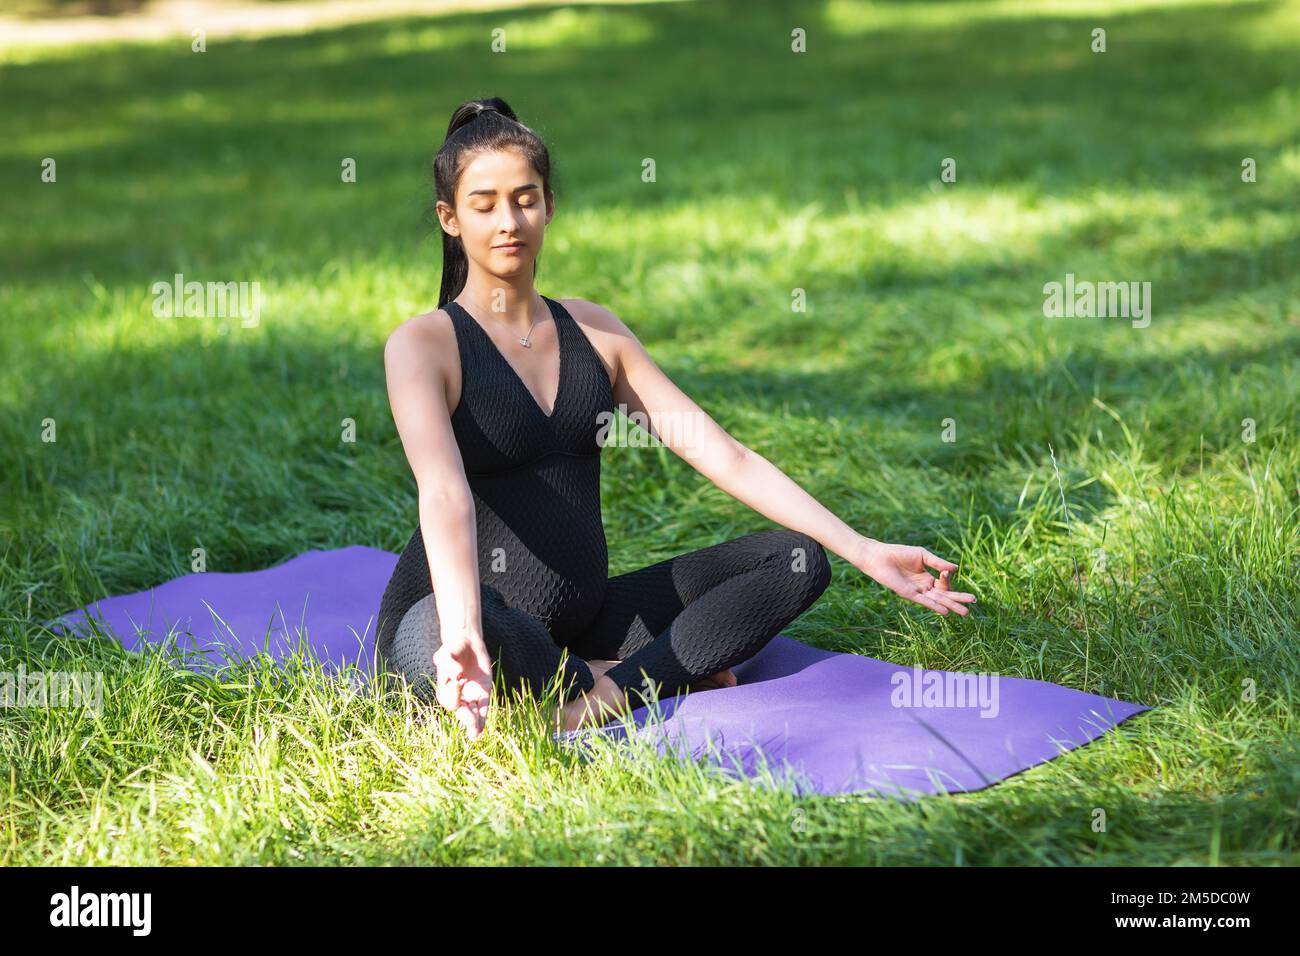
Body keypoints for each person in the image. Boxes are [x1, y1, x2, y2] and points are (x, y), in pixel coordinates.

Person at [375, 97, 976, 741]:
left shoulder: (595, 331)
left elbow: (724, 455)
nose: (508, 221)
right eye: (483, 203)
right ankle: (614, 672)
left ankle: (603, 688)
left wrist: (864, 549)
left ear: (550, 204)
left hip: (584, 619)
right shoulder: (424, 345)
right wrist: (464, 629)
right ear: (449, 218)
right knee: (429, 630)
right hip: (462, 619)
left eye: (525, 198)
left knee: (796, 560)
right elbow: (443, 494)